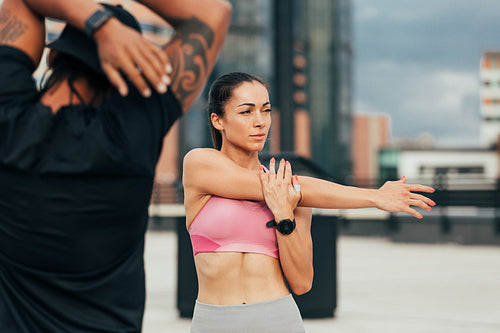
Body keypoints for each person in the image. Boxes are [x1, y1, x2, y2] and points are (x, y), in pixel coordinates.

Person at [0, 0, 231, 332]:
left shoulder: (7, 122)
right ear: (130, 75)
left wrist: (98, 23)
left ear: (52, 56)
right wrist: (114, 31)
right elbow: (214, 13)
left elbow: (20, 4)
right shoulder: (133, 134)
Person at [182, 72, 436, 332]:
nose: (260, 122)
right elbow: (283, 186)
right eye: (246, 112)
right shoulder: (199, 164)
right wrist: (374, 196)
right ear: (218, 120)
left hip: (278, 320)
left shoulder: (297, 196)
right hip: (213, 323)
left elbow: (302, 283)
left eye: (266, 110)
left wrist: (284, 219)